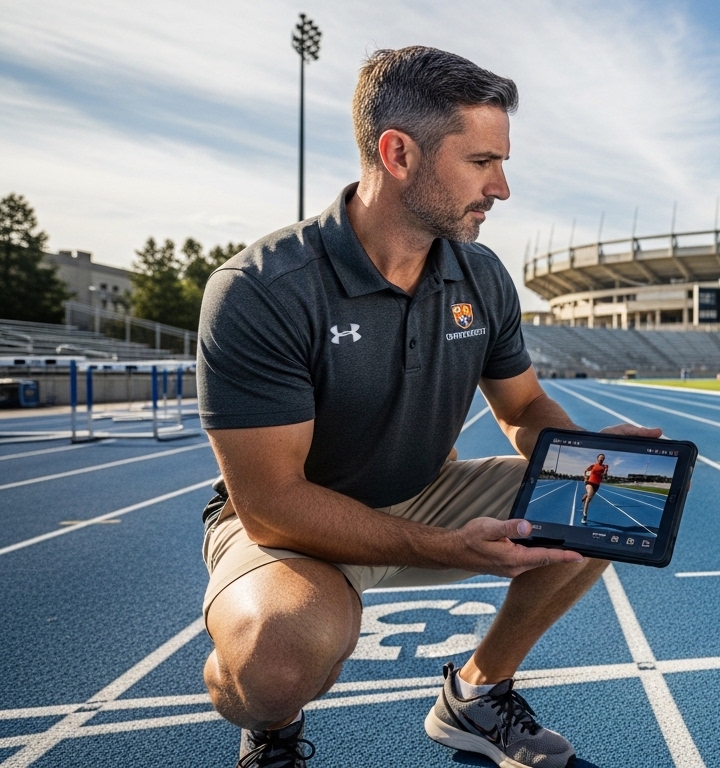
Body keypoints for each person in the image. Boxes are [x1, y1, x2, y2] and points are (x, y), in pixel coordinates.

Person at [197, 46, 661, 768]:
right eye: (481, 162)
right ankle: (272, 727)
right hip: (295, 525)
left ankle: (477, 697)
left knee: (611, 496)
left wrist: (589, 454)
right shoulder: (262, 289)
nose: (501, 187)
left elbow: (525, 404)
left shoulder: (480, 273)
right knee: (278, 664)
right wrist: (448, 549)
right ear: (399, 152)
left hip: (426, 493)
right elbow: (272, 503)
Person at [580, 454, 608, 524]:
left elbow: (605, 474)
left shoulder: (605, 466)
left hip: (597, 485)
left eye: (603, 457)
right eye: (600, 457)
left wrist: (604, 474)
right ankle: (585, 516)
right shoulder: (593, 466)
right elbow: (585, 471)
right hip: (590, 482)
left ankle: (586, 495)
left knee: (590, 496)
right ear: (597, 458)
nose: (602, 458)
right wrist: (585, 478)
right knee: (589, 498)